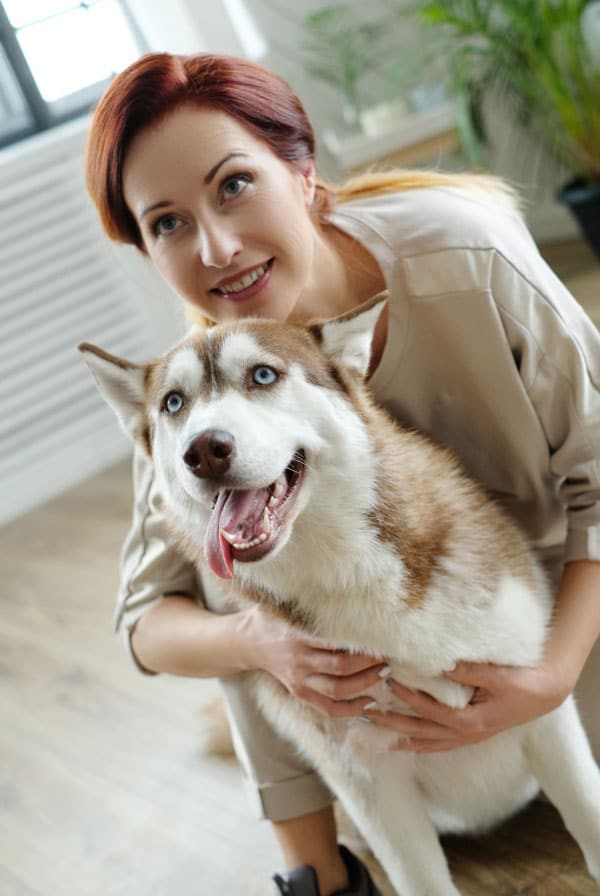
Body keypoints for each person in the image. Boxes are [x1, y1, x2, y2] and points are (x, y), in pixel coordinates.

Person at [85, 51, 600, 896]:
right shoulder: (193, 397)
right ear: (146, 249)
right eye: (167, 224)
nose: (215, 246)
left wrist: (550, 675)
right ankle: (317, 876)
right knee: (230, 553)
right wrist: (259, 641)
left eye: (234, 185)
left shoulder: (464, 254)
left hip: (562, 610)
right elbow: (146, 621)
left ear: (303, 171)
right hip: (376, 694)